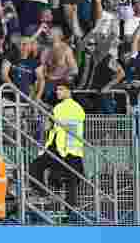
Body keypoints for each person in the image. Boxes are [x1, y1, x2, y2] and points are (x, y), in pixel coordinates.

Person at [28, 82, 86, 219]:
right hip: (69, 150)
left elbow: (53, 125)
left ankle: (44, 192)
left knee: (36, 167)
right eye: (57, 90)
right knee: (70, 182)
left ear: (69, 91)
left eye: (61, 89)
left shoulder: (61, 107)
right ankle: (69, 213)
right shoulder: (78, 108)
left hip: (62, 149)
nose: (57, 92)